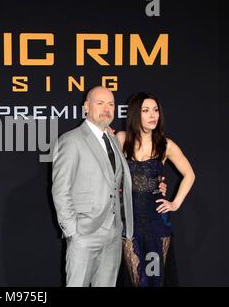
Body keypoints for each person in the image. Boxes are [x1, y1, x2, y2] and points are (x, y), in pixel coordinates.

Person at [51, 86, 165, 287]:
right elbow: (60, 190)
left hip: (114, 235)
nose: (106, 109)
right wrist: (73, 233)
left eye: (111, 104)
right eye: (100, 103)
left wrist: (159, 184)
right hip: (84, 234)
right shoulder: (71, 140)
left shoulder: (114, 139)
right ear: (86, 107)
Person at [115, 92, 195, 287]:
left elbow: (189, 174)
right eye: (145, 110)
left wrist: (174, 203)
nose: (153, 115)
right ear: (135, 114)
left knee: (155, 279)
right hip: (129, 223)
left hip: (157, 223)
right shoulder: (121, 138)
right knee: (136, 281)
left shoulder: (165, 145)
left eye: (155, 110)